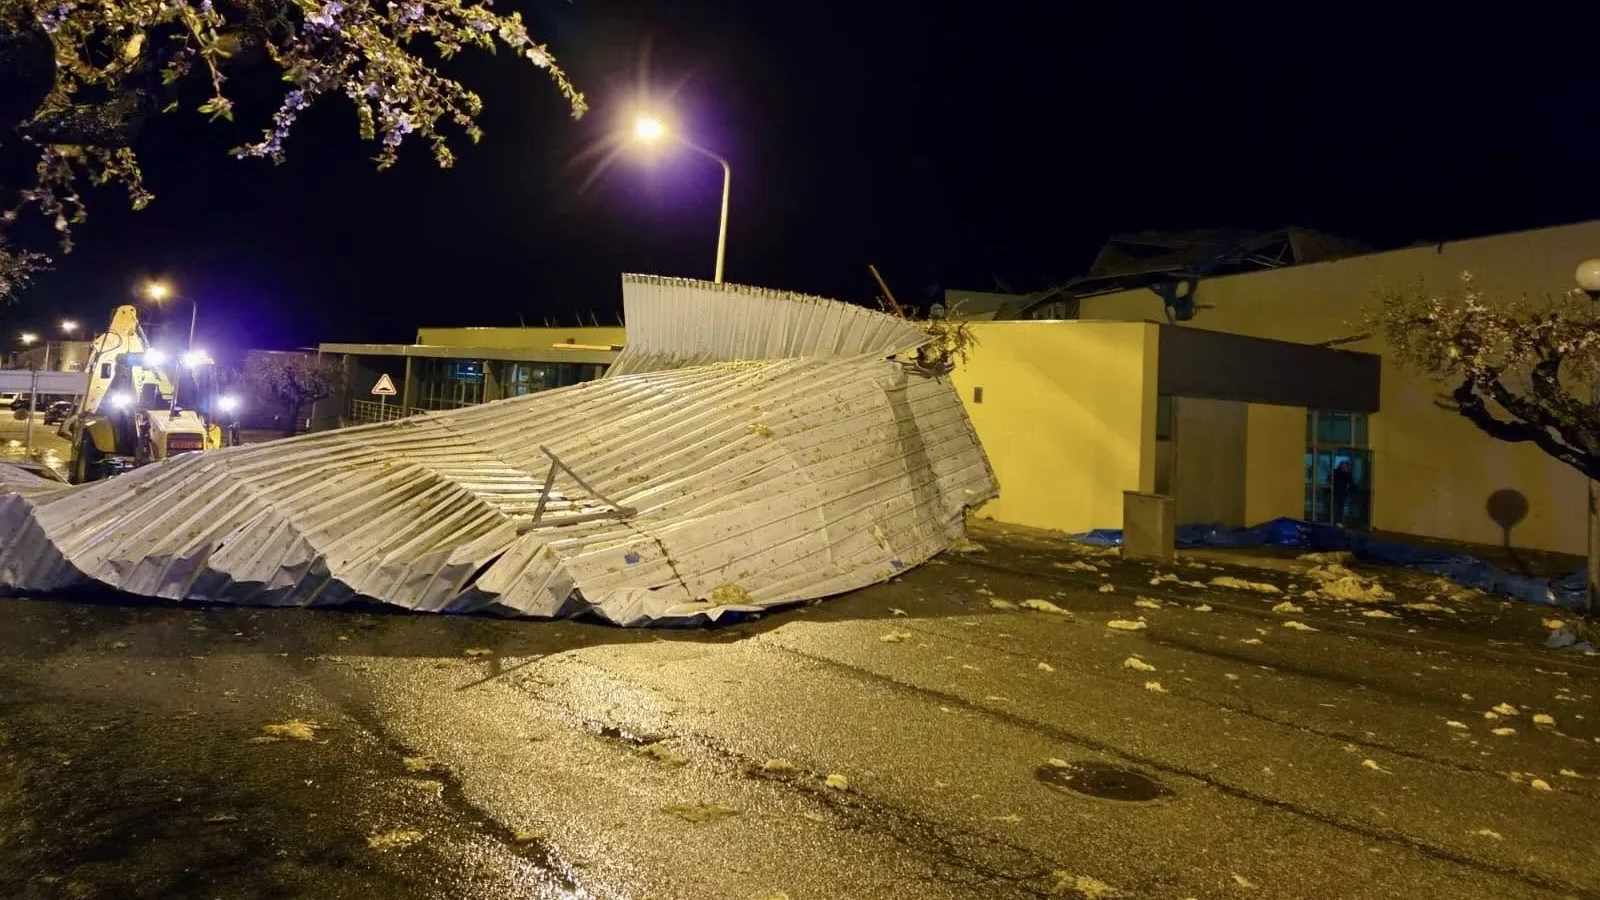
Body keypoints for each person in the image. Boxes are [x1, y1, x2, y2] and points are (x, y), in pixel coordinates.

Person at [1331, 459, 1353, 527]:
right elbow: (1350, 483)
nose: (1343, 466)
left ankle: (1337, 521)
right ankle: (1338, 521)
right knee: (1338, 507)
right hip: (1338, 492)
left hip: (1340, 492)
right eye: (1343, 465)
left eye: (1344, 465)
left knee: (1339, 507)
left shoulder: (1337, 472)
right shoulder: (1343, 473)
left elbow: (1349, 483)